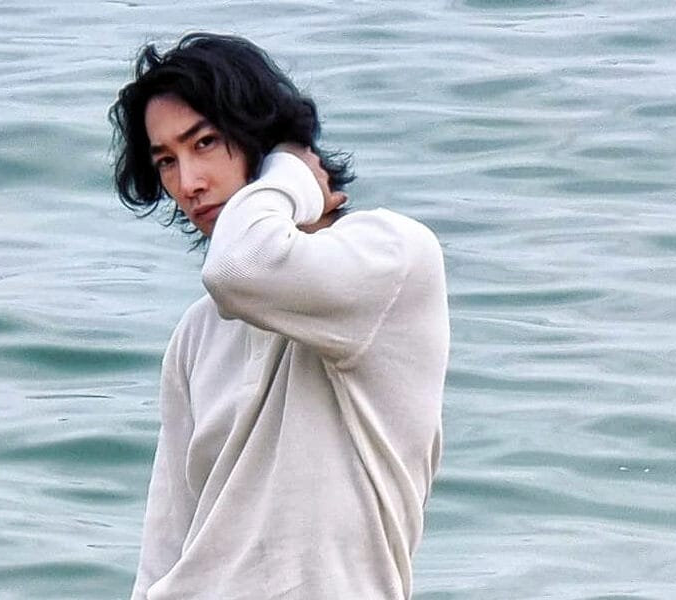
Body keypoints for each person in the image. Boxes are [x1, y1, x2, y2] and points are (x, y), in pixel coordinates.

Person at [109, 32, 449, 600]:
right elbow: (163, 551)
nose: (188, 184)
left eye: (205, 142)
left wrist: (290, 170)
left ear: (263, 141)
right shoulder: (198, 332)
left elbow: (240, 265)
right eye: (166, 161)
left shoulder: (389, 260)